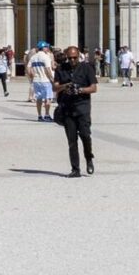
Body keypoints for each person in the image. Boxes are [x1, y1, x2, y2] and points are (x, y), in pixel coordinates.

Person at [54, 45, 97, 177]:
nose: (72, 60)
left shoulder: (86, 68)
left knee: (85, 135)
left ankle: (89, 158)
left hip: (82, 106)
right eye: (70, 58)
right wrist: (65, 86)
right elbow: (55, 87)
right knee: (72, 141)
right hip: (67, 107)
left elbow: (94, 88)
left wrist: (80, 90)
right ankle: (75, 169)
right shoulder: (61, 69)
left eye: (75, 58)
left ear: (79, 56)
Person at [28, 43, 56, 122]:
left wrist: (32, 75)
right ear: (43, 48)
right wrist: (52, 79)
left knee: (39, 99)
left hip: (36, 80)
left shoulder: (33, 57)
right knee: (48, 98)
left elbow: (28, 67)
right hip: (45, 80)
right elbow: (47, 69)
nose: (47, 48)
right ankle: (47, 115)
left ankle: (39, 116)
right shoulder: (45, 57)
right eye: (46, 47)